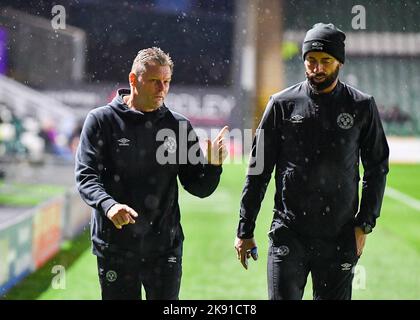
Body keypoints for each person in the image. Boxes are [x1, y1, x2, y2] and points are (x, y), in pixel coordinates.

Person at [234, 23, 389, 300]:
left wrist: (363, 224)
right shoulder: (282, 104)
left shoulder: (361, 105)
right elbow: (258, 169)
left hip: (340, 236)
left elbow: (377, 167)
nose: (317, 68)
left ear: (339, 61)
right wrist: (245, 229)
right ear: (304, 60)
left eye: (325, 61)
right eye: (311, 61)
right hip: (288, 233)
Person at [75, 47, 228, 300]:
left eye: (166, 82)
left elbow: (199, 188)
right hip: (115, 247)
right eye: (155, 81)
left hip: (164, 249)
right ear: (133, 80)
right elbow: (85, 176)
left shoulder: (178, 126)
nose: (162, 89)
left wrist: (213, 166)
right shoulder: (101, 121)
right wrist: (109, 205)